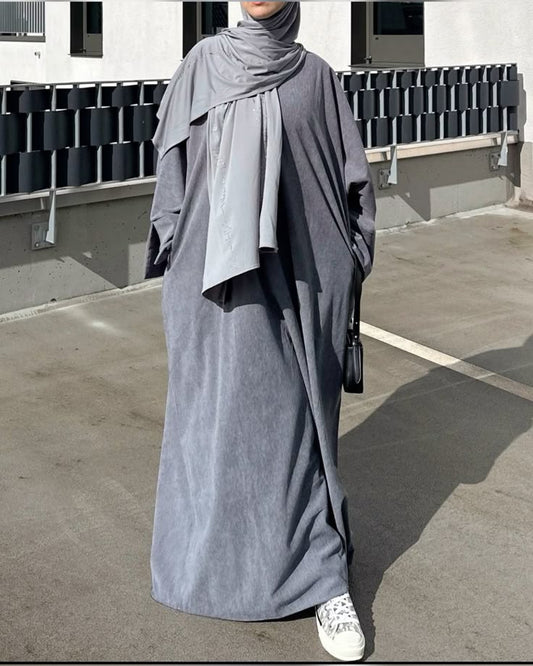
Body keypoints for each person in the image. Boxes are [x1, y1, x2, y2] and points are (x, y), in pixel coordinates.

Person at [143, 2, 376, 661]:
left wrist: (348, 261)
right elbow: (171, 179)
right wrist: (179, 255)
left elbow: (351, 187)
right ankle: (209, 563)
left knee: (295, 433)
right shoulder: (201, 66)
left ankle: (322, 579)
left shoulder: (316, 77)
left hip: (301, 292)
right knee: (217, 431)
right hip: (213, 295)